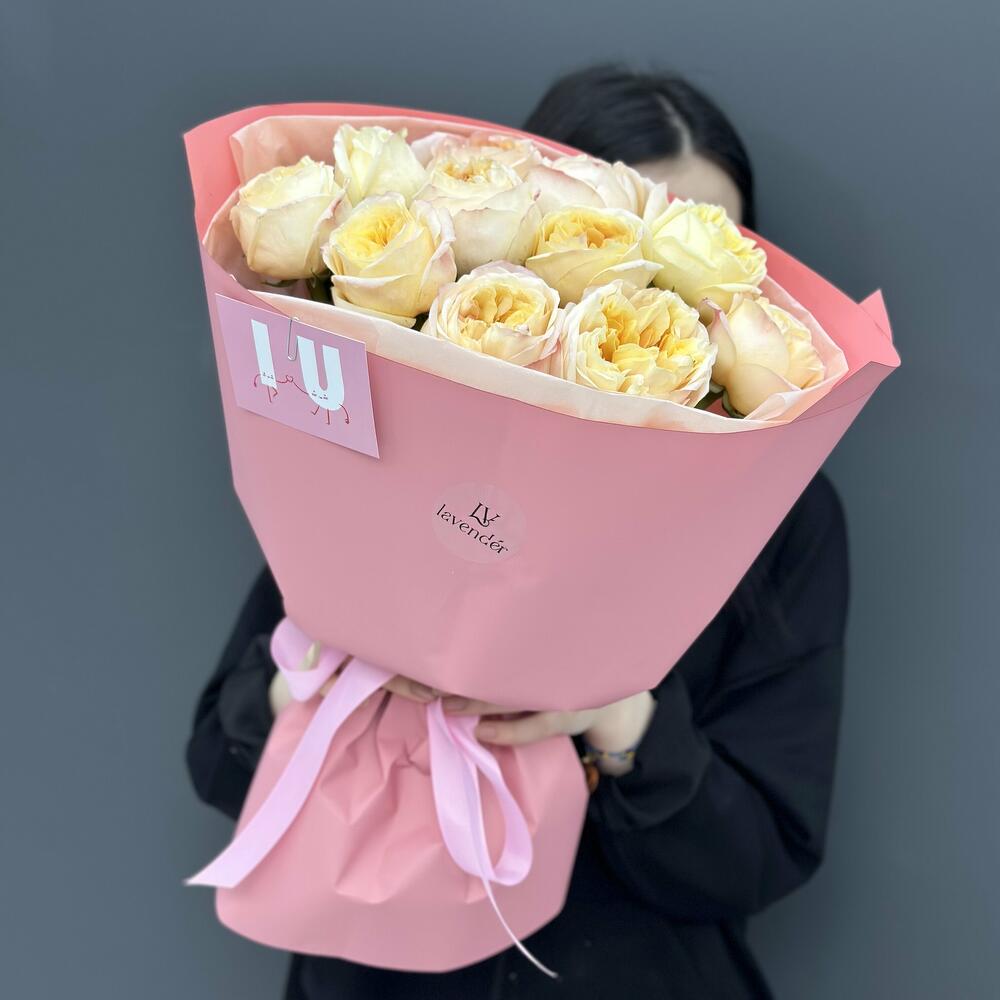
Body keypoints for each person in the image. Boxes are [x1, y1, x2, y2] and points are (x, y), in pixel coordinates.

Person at [186, 65, 848, 1000]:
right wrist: (333, 666)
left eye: (713, 277)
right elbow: (218, 761)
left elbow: (758, 859)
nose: (673, 316)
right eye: (632, 262)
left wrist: (617, 720)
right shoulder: (386, 445)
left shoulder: (787, 516)